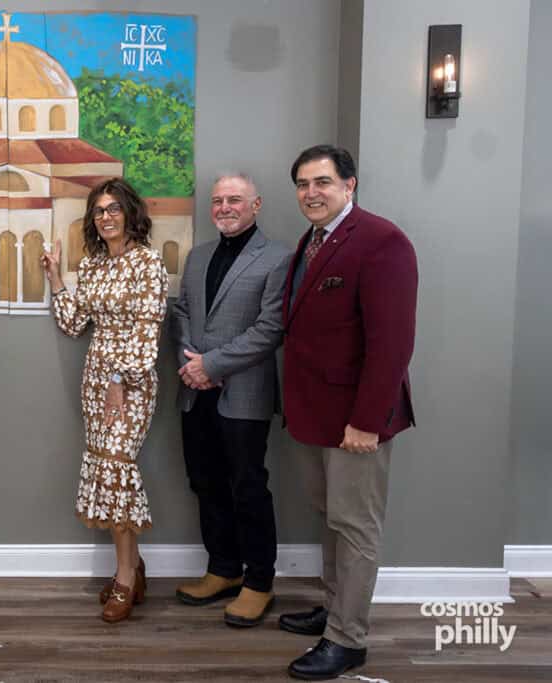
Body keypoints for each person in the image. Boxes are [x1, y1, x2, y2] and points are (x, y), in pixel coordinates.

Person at [279, 145, 418, 680]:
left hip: (357, 421)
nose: (311, 193)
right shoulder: (311, 242)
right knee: (332, 519)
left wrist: (367, 420)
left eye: (322, 182)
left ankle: (348, 638)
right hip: (316, 414)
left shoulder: (382, 241)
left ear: (349, 184)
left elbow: (392, 345)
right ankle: (336, 609)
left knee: (356, 526)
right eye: (302, 184)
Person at [41, 178, 168, 623]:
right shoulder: (92, 266)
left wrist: (120, 377)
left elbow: (148, 332)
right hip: (94, 378)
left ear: (131, 213)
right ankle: (133, 567)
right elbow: (76, 324)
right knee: (107, 471)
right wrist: (57, 277)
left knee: (116, 470)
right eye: (98, 210)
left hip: (130, 381)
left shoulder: (149, 264)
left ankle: (125, 579)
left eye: (114, 208)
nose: (106, 216)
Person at [170, 173, 291, 627]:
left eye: (234, 199)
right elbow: (181, 311)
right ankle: (222, 569)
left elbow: (270, 328)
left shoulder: (278, 258)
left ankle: (259, 581)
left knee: (247, 487)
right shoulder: (198, 257)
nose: (224, 207)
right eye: (217, 200)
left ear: (256, 204)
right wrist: (191, 361)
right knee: (205, 482)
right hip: (194, 391)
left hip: (243, 393)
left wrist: (213, 365)